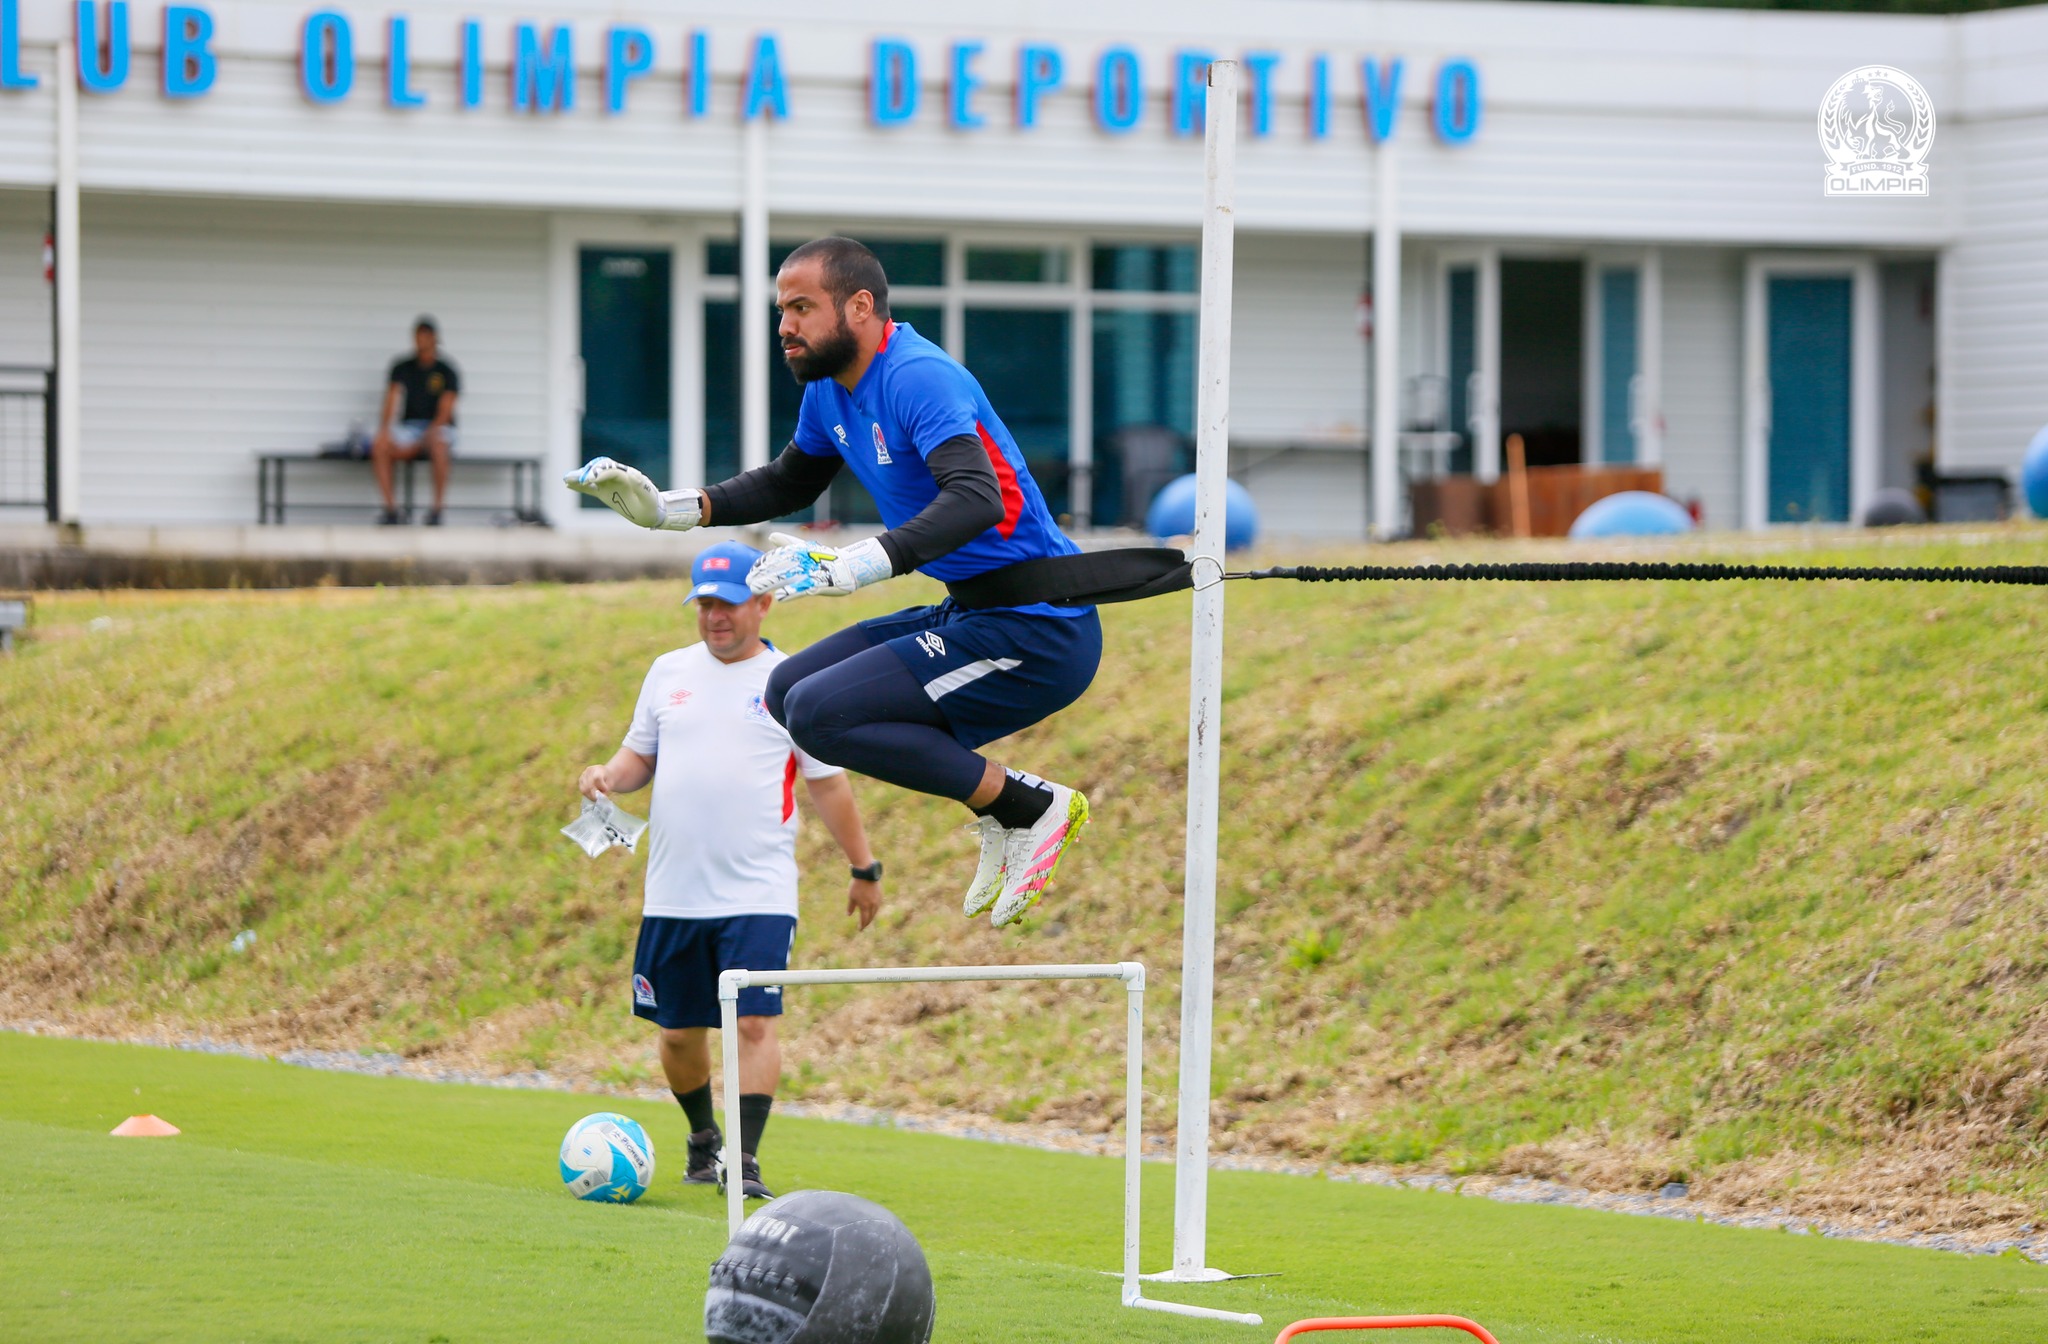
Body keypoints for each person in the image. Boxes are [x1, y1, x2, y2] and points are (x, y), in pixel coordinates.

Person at [566, 237, 1095, 930]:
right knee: (786, 692)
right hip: (972, 614)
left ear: (861, 306)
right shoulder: (829, 390)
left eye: (801, 308)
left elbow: (976, 498)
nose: (784, 325)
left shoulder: (917, 376)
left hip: (1039, 628)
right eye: (781, 309)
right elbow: (790, 480)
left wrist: (854, 565)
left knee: (822, 713)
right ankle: (1006, 809)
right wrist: (673, 511)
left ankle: (1029, 807)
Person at [577, 540, 882, 1201]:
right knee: (680, 1032)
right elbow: (639, 759)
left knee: (751, 1024)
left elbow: (829, 784)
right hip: (674, 892)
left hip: (759, 891)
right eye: (705, 604)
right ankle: (702, 1139)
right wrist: (607, 776)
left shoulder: (796, 682)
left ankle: (742, 1162)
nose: (716, 616)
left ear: (766, 603)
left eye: (730, 603)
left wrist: (865, 866)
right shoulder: (667, 672)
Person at [373, 316, 461, 525]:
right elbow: (391, 400)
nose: (421, 340)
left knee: (439, 445)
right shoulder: (402, 367)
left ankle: (437, 511)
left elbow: (446, 409)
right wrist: (385, 429)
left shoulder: (446, 371)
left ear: (434, 338)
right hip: (409, 428)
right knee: (380, 445)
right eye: (417, 336)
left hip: (439, 428)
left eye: (425, 336)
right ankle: (392, 511)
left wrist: (431, 433)